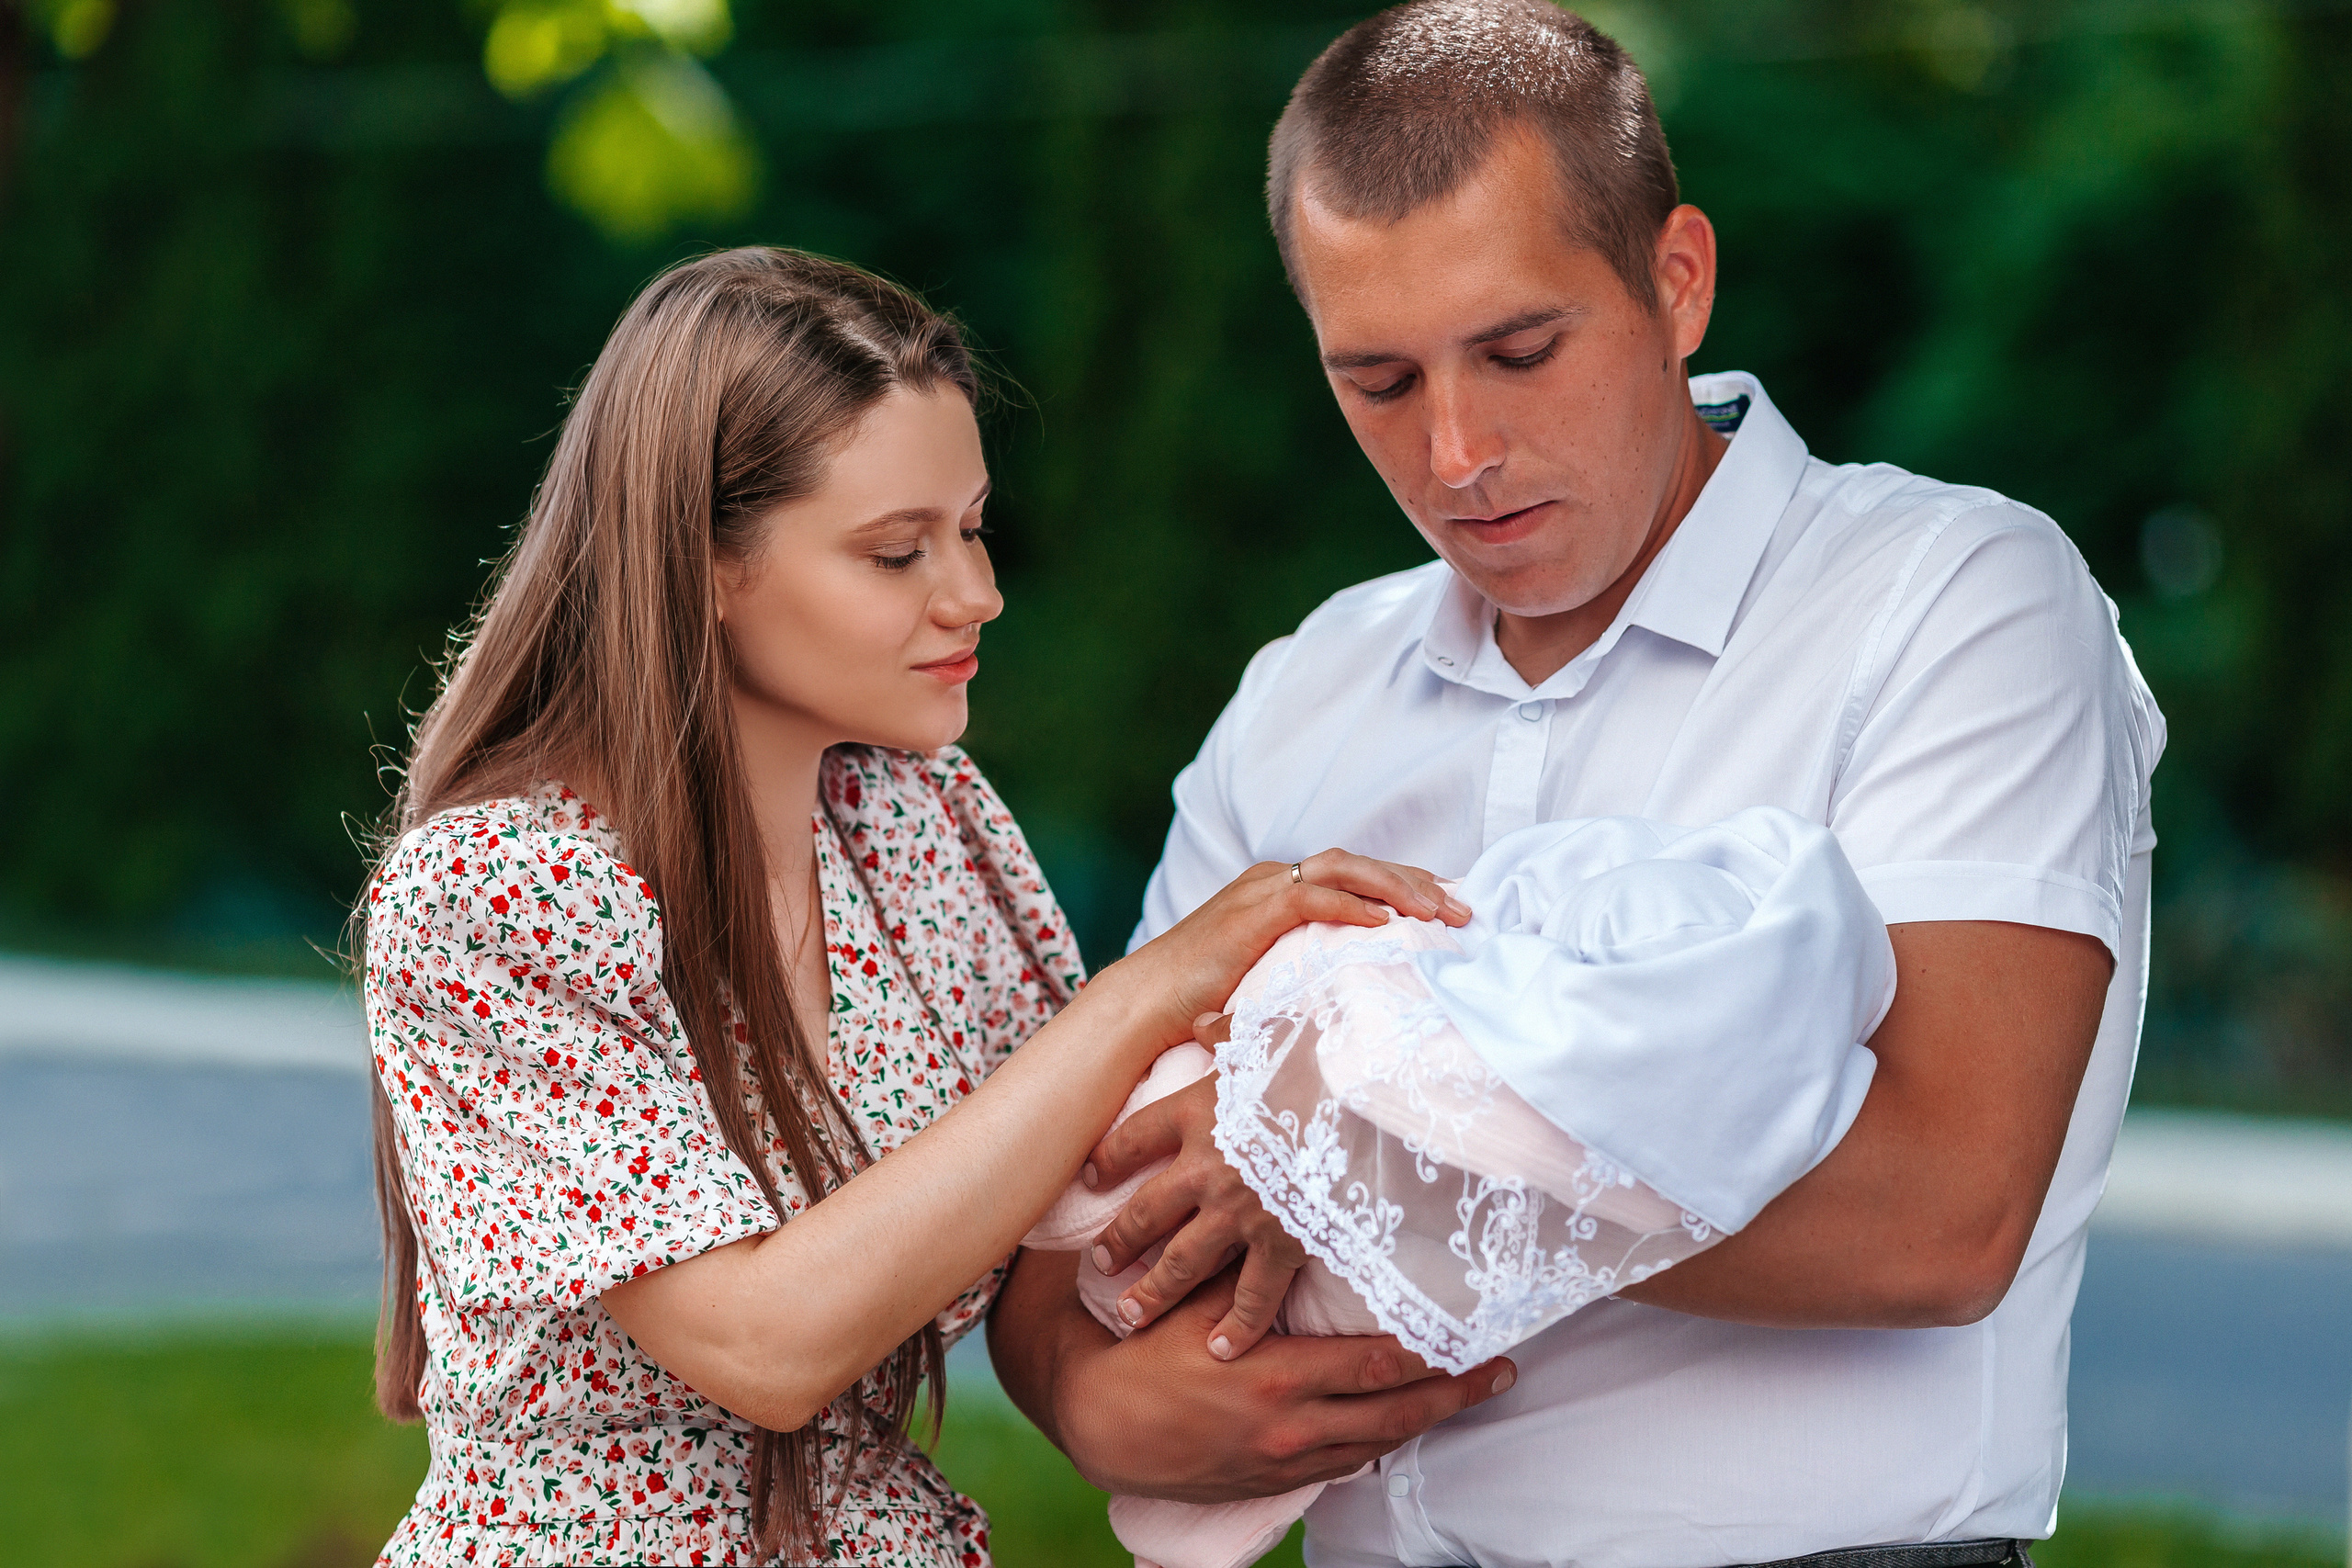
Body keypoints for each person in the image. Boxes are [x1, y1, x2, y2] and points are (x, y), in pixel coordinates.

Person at [985, 5, 2165, 1565]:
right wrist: (1079, 1393)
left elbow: (1940, 1214)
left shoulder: (1956, 603)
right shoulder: (1306, 692)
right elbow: (1090, 1187)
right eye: (1380, 379)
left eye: (1519, 350)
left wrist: (1333, 1154)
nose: (1459, 450)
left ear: (1677, 279)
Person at [355, 246, 1500, 1568]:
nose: (975, 593)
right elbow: (763, 1345)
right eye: (898, 551)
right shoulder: (499, 894)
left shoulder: (914, 820)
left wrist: (1290, 1132)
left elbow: (1063, 1187)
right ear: (704, 562)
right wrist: (1140, 994)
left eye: (972, 526)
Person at [1023, 808, 1901, 1568]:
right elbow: (1029, 1233)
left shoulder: (1941, 637)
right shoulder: (1292, 694)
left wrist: (1326, 1135)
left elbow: (1943, 1239)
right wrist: (1089, 1403)